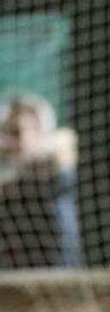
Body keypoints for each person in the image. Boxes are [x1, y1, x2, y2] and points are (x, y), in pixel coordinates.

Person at [0, 94, 80, 268]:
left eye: (17, 131)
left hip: (58, 279)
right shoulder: (8, 182)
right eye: (6, 131)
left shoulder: (58, 173)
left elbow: (64, 149)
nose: (7, 141)